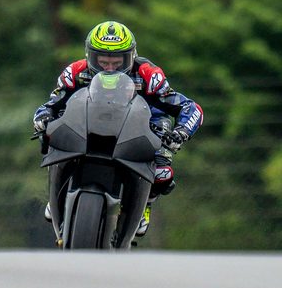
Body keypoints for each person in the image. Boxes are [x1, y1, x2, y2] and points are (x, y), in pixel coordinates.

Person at [32, 19, 203, 239]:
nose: (110, 68)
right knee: (52, 135)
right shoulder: (75, 72)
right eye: (102, 62)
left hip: (141, 125)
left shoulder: (149, 75)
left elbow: (191, 108)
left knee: (163, 172)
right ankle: (57, 192)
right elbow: (51, 103)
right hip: (88, 121)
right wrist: (43, 118)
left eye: (117, 62)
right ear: (89, 56)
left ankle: (146, 204)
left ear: (131, 57)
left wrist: (181, 132)